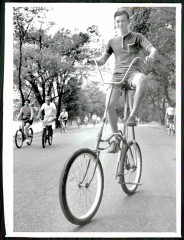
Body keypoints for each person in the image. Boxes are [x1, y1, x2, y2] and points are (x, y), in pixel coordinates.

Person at [84, 10, 158, 153]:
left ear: (128, 22)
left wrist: (151, 55)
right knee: (108, 105)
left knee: (142, 79)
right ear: (115, 23)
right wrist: (91, 60)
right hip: (117, 77)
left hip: (132, 74)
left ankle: (133, 115)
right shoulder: (112, 42)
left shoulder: (137, 37)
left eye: (123, 20)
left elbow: (152, 49)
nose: (120, 23)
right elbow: (102, 61)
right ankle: (116, 139)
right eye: (117, 21)